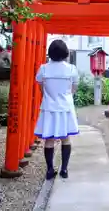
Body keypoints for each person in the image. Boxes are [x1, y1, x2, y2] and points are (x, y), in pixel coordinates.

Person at [34, 39, 79, 180]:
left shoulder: (43, 68)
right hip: (65, 107)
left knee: (49, 139)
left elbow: (41, 87)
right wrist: (65, 96)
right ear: (65, 53)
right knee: (66, 138)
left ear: (50, 53)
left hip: (49, 108)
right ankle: (64, 169)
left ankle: (49, 170)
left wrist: (50, 96)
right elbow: (74, 89)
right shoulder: (71, 69)